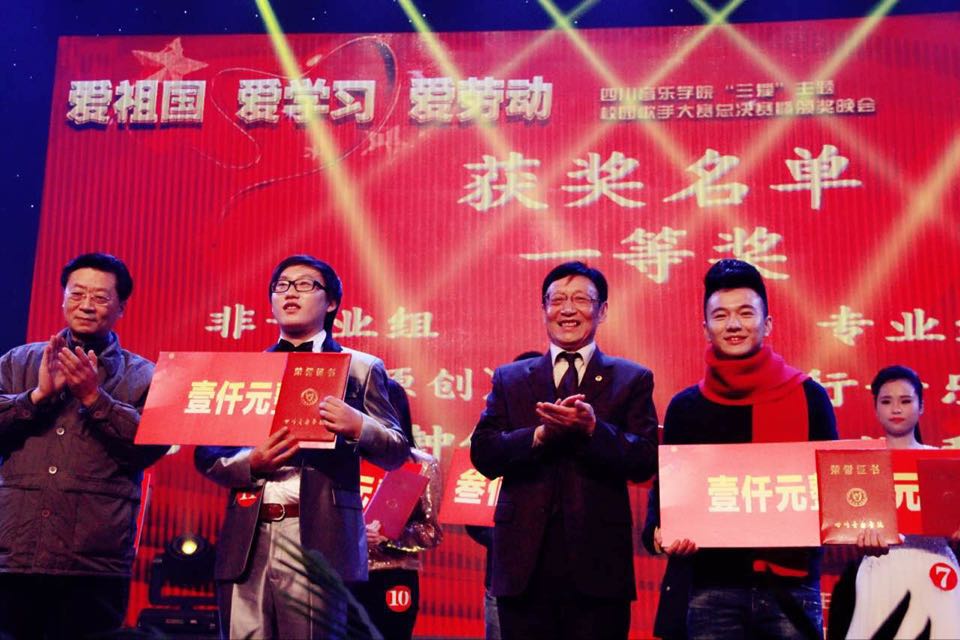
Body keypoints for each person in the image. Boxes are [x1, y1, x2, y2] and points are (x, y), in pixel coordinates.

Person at [195, 254, 408, 640]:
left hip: (320, 535)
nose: (290, 293)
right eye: (281, 286)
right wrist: (250, 463)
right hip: (248, 536)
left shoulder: (360, 367)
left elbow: (396, 451)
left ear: (331, 303)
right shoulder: (246, 371)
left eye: (305, 284)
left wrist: (359, 426)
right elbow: (207, 454)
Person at [647, 258, 837, 640]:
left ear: (768, 323)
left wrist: (862, 525)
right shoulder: (686, 407)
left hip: (791, 588)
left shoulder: (809, 397)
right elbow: (667, 490)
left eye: (746, 313)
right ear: (705, 328)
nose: (733, 324)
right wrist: (658, 530)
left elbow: (834, 487)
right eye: (721, 316)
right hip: (710, 586)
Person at [470, 261, 659, 640]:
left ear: (602, 310)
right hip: (522, 567)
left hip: (598, 567)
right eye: (557, 300)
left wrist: (593, 430)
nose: (567, 310)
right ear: (544, 309)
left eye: (581, 300)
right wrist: (539, 436)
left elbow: (645, 460)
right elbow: (484, 453)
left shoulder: (631, 378)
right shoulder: (510, 378)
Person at [0, 252, 168, 638]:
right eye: (77, 294)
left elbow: (149, 447)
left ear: (121, 307)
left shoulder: (146, 376)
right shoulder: (17, 362)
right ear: (63, 299)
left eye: (100, 297)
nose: (86, 306)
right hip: (14, 555)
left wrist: (95, 398)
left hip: (94, 564)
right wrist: (37, 397)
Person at [840, 365, 960, 639]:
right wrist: (862, 538)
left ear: (921, 406)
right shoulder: (861, 464)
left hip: (934, 568)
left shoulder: (943, 462)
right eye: (886, 401)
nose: (896, 409)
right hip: (881, 567)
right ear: (875, 408)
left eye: (905, 401)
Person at [351, 379, 443, 640]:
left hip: (393, 575)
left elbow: (431, 532)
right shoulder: (344, 460)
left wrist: (390, 536)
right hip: (344, 574)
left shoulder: (420, 464)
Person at [466, 350, 541, 640]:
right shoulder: (491, 446)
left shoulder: (562, 437)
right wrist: (512, 537)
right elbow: (473, 520)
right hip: (504, 578)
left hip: (557, 583)